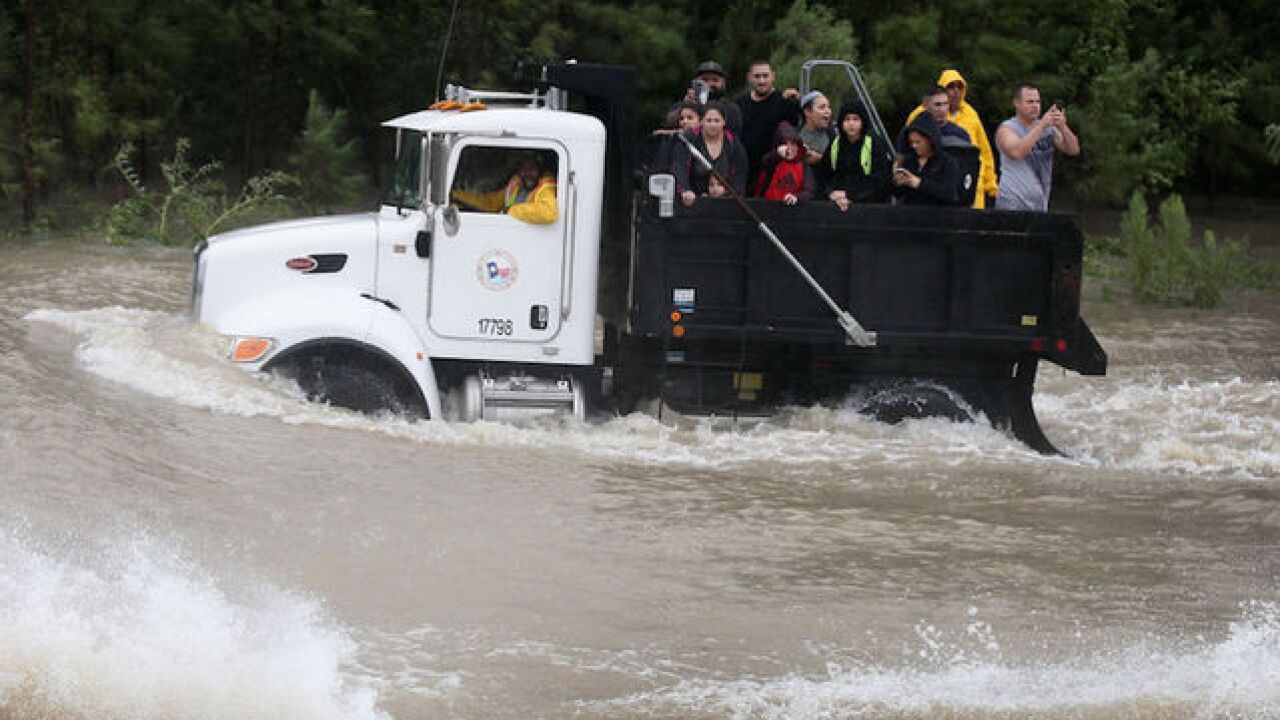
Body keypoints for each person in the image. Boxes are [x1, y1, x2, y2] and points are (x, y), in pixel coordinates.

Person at [904, 69, 997, 208]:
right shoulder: (918, 116)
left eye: (959, 87)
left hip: (966, 185)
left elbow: (983, 152)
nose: (956, 91)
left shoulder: (971, 115)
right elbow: (907, 150)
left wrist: (991, 185)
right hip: (925, 191)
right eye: (951, 86)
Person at [994, 84, 1080, 212]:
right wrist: (1041, 127)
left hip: (1040, 202)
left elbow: (1073, 150)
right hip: (1012, 202)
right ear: (1017, 103)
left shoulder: (1048, 129)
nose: (1035, 106)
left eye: (1038, 102)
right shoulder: (1007, 129)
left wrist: (1063, 127)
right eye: (1030, 102)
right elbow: (1016, 152)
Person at [817, 100, 892, 210]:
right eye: (847, 119)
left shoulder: (875, 143)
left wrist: (850, 195)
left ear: (863, 121)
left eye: (855, 119)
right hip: (838, 205)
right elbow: (823, 175)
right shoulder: (835, 144)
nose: (851, 123)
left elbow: (881, 181)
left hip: (871, 206)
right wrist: (831, 193)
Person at [672, 101, 749, 205]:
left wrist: (731, 195)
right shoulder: (688, 140)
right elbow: (680, 168)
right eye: (709, 121)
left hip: (725, 201)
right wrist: (685, 190)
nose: (713, 125)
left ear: (724, 122)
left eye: (717, 121)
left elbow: (740, 175)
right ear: (701, 121)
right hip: (692, 200)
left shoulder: (733, 143)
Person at [737, 60, 800, 184]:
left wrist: (797, 101)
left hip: (776, 171)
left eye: (765, 76)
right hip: (746, 170)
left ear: (773, 76)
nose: (761, 81)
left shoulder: (785, 101)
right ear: (749, 78)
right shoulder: (741, 103)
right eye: (757, 76)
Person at [451, 153, 558, 224]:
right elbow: (490, 203)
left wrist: (512, 211)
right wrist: (456, 196)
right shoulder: (516, 185)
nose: (527, 173)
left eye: (532, 168)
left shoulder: (546, 187)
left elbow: (549, 212)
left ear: (540, 170)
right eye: (523, 169)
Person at [893, 113, 962, 206]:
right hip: (911, 214)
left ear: (930, 140)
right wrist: (898, 182)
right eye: (911, 142)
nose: (914, 146)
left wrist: (919, 183)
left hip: (938, 215)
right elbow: (899, 194)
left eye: (918, 142)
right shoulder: (909, 161)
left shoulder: (947, 162)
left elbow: (949, 194)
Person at [752, 122, 816, 205]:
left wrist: (797, 197)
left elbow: (809, 190)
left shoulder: (803, 165)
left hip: (792, 210)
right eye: (785, 144)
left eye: (793, 144)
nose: (789, 148)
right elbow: (766, 162)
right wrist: (777, 154)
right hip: (767, 207)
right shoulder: (773, 160)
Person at [897, 86, 970, 154]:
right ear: (925, 106)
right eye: (937, 104)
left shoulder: (960, 134)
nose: (942, 109)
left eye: (946, 103)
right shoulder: (909, 134)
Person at [677, 60, 742, 135]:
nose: (709, 84)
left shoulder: (731, 109)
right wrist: (685, 105)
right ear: (696, 81)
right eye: (705, 79)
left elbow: (733, 136)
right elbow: (669, 125)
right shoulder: (684, 104)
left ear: (723, 83)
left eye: (715, 80)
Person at [798, 90, 834, 165]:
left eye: (828, 107)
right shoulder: (795, 136)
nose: (828, 111)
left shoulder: (834, 136)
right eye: (822, 107)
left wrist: (821, 159)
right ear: (807, 112)